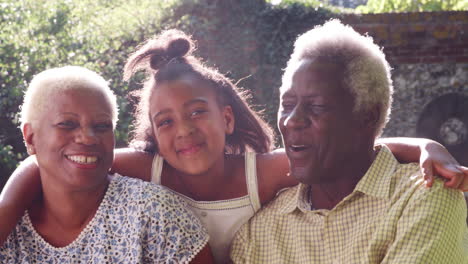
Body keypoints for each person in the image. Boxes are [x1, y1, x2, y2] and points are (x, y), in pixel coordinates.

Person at [1, 31, 467, 263]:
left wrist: (424, 144)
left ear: (227, 117)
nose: (183, 130)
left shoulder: (260, 173)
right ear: (155, 136)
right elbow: (43, 165)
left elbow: (354, 148)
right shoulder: (149, 173)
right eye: (165, 122)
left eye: (197, 112)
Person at [230, 20, 468, 263]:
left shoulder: (424, 197)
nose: (292, 121)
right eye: (287, 106)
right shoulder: (258, 233)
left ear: (367, 116)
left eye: (317, 106)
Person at [0, 66, 213, 263]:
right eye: (67, 124)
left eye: (102, 126)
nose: (88, 138)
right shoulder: (10, 231)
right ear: (30, 138)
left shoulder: (154, 214)